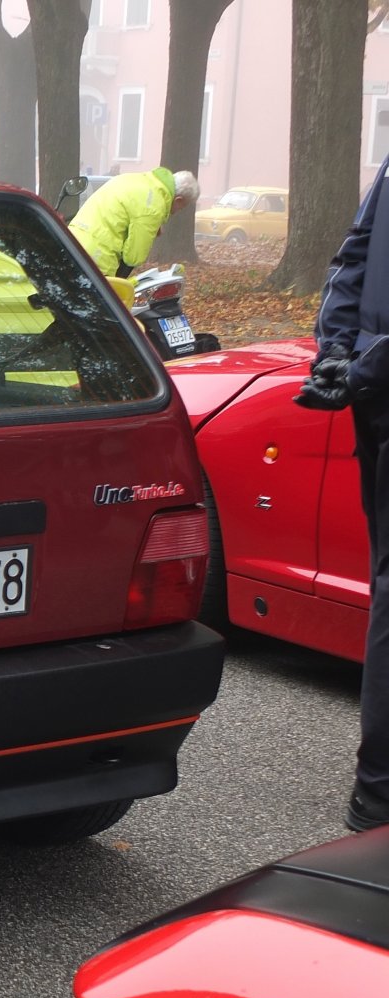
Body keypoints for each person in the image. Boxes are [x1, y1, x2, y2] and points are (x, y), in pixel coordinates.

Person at [294, 153, 389, 831]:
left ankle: (376, 795)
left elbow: (351, 260)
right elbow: (355, 255)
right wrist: (343, 358)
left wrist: (344, 357)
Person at [67, 167, 199, 278]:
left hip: (72, 240)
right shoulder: (154, 207)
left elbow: (125, 210)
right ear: (179, 200)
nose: (177, 211)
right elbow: (133, 257)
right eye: (182, 207)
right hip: (97, 255)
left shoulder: (137, 179)